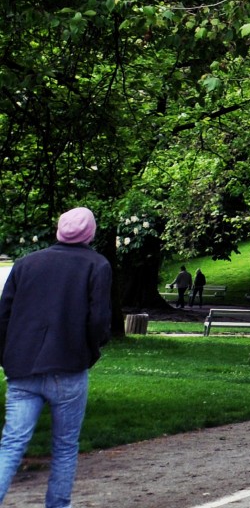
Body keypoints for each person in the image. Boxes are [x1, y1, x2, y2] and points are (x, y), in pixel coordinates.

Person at [0, 207, 113, 508]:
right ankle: (58, 505)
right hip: (69, 367)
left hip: (22, 369)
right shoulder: (97, 265)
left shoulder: (26, 264)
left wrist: (7, 357)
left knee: (11, 444)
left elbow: (4, 316)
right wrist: (90, 352)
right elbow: (99, 321)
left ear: (59, 229)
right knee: (64, 447)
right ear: (90, 233)